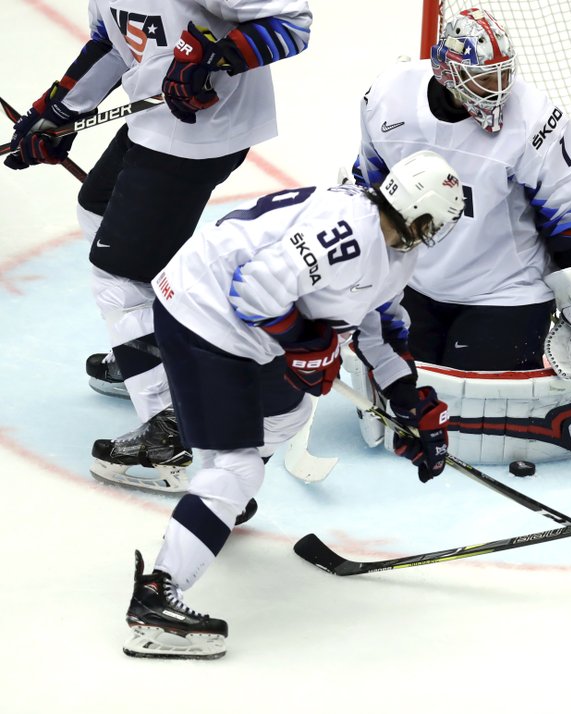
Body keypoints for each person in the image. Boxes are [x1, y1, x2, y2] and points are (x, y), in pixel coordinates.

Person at [123, 150, 465, 659]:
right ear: (422, 218)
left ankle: (214, 508)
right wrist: (308, 343)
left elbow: (379, 325)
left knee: (288, 414)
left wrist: (407, 399)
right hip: (204, 313)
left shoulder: (393, 249)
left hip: (244, 328)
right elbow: (256, 292)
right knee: (238, 468)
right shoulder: (350, 232)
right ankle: (155, 599)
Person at [4, 0, 312, 492]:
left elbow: (293, 24)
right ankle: (158, 352)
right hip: (156, 122)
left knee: (119, 278)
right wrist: (58, 111)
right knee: (99, 209)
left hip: (203, 133)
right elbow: (113, 42)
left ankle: (177, 435)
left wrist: (216, 59)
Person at [352, 7, 571, 373]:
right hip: (413, 282)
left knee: (477, 414)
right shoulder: (388, 97)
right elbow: (372, 190)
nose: (500, 88)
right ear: (449, 73)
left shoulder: (534, 119)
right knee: (404, 393)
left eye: (503, 74)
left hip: (507, 293)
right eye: (485, 78)